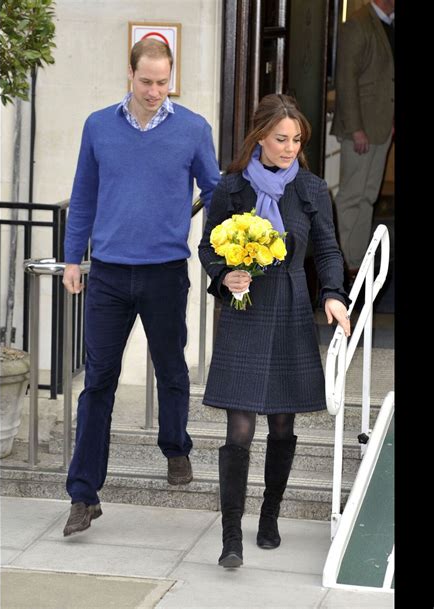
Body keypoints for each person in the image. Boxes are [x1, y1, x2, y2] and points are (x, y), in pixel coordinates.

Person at [62, 38, 220, 537]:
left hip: (165, 271)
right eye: (146, 81)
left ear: (171, 77)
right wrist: (73, 258)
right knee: (98, 383)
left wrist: (226, 250)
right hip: (107, 273)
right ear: (129, 74)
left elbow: (216, 190)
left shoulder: (194, 129)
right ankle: (83, 495)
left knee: (172, 368)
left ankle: (175, 447)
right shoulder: (98, 126)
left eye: (162, 82)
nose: (155, 91)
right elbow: (84, 193)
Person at [198, 94, 351, 568]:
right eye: (281, 139)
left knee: (282, 423)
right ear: (260, 137)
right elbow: (208, 248)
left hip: (288, 309)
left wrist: (332, 293)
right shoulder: (229, 188)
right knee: (239, 429)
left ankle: (269, 516)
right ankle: (230, 538)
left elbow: (327, 250)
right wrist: (225, 275)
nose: (289, 147)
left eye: (297, 140)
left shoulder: (311, 188)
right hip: (244, 311)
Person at [331, 0, 394, 281]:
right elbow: (345, 80)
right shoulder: (356, 24)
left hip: (381, 127)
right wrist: (356, 128)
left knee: (368, 197)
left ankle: (357, 260)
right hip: (360, 131)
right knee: (352, 197)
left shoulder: (388, 24)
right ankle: (343, 264)